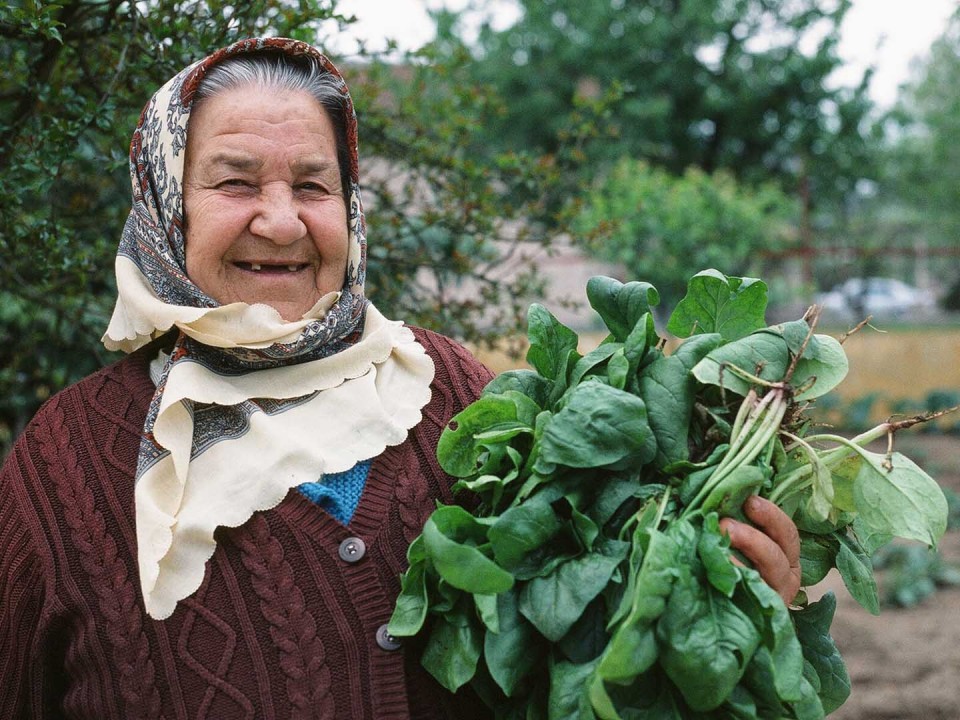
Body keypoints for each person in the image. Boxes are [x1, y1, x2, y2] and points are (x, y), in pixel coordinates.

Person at [0, 37, 800, 719]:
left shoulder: (450, 391)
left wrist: (734, 608)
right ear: (165, 204)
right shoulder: (63, 471)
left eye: (314, 186)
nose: (281, 222)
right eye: (235, 181)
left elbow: (579, 656)